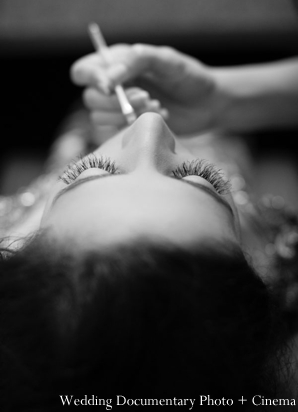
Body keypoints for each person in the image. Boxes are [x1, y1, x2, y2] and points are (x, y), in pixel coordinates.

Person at [0, 44, 298, 410]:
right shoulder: (279, 251)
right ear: (261, 265)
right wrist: (228, 103)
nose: (150, 124)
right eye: (201, 178)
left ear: (16, 249)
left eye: (88, 170)